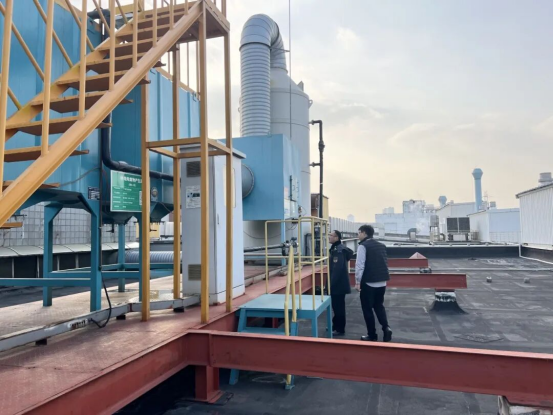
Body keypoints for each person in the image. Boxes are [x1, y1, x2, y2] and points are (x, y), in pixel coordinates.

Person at [355, 224, 392, 342]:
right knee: (379, 306)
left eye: (359, 233)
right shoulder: (381, 245)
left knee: (367, 309)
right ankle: (386, 328)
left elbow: (360, 266)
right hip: (382, 281)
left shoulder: (363, 246)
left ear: (364, 233)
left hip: (369, 282)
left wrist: (357, 282)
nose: (358, 235)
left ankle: (372, 334)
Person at [328, 230, 353, 336]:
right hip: (339, 284)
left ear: (337, 238)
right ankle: (335, 325)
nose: (329, 237)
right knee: (336, 306)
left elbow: (337, 270)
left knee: (338, 307)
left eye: (331, 235)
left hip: (338, 285)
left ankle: (340, 329)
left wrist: (330, 285)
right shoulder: (336, 248)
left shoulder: (339, 251)